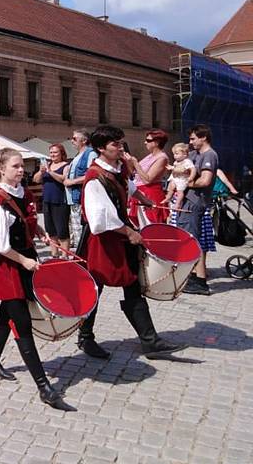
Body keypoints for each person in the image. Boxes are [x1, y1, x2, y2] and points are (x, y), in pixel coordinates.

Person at [0, 148, 74, 411]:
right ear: (2, 169)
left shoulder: (24, 193)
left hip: (25, 259)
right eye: (16, 166)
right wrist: (26, 261)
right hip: (9, 264)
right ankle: (44, 387)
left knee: (7, 313)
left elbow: (26, 219)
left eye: (22, 167)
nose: (21, 170)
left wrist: (39, 231)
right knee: (22, 322)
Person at [75, 125, 184, 360]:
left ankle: (150, 341)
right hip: (101, 240)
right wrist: (130, 232)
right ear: (101, 148)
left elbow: (128, 186)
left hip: (121, 236)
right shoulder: (95, 177)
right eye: (115, 143)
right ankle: (85, 338)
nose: (120, 147)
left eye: (121, 142)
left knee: (132, 283)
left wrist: (145, 200)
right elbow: (99, 218)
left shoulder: (116, 168)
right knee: (94, 288)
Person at [177, 125, 219, 296]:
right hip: (188, 201)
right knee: (190, 238)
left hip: (196, 202)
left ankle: (201, 283)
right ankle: (194, 276)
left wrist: (184, 183)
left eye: (194, 138)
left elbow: (205, 181)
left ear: (204, 138)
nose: (190, 142)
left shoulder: (210, 155)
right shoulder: (194, 154)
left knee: (192, 240)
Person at [125, 128, 170, 225]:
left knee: (152, 225)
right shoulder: (149, 156)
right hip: (140, 193)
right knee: (142, 226)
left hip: (151, 194)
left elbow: (148, 180)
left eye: (148, 140)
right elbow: (134, 174)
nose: (145, 143)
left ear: (157, 142)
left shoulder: (162, 158)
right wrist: (128, 162)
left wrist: (136, 163)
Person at [33, 143, 69, 257]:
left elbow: (64, 179)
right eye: (51, 152)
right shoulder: (47, 165)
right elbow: (36, 180)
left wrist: (50, 172)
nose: (52, 155)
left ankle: (65, 254)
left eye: (55, 152)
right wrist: (41, 172)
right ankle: (54, 254)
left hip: (60, 201)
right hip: (47, 201)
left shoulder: (66, 165)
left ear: (61, 153)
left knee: (62, 229)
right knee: (51, 229)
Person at [64, 129, 97, 246]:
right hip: (73, 198)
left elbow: (92, 174)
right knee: (76, 228)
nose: (72, 141)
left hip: (81, 197)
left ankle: (82, 256)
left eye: (74, 138)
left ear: (84, 140)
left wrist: (72, 181)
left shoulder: (90, 154)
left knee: (80, 229)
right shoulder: (78, 155)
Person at [163, 143, 196, 213]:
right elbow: (176, 168)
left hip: (182, 179)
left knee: (180, 192)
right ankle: (168, 197)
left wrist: (191, 177)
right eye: (174, 154)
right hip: (175, 178)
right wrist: (171, 167)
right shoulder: (176, 162)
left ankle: (177, 203)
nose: (174, 156)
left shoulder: (187, 161)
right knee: (170, 186)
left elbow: (193, 169)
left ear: (184, 154)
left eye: (177, 153)